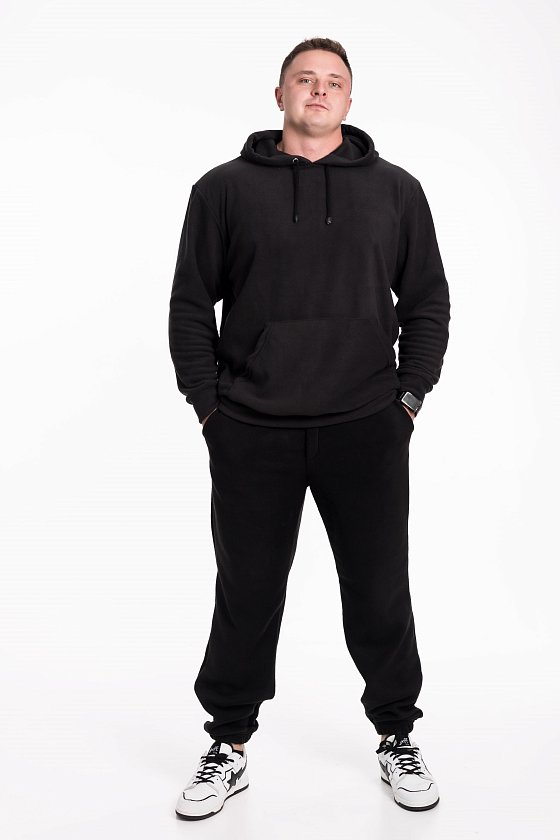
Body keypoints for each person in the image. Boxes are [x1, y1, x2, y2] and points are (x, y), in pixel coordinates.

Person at [169, 36, 450, 820]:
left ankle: (397, 734)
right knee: (248, 592)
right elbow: (190, 304)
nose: (319, 91)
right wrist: (210, 408)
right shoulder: (223, 189)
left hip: (365, 424)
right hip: (251, 428)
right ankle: (228, 744)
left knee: (379, 589)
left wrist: (408, 399)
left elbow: (427, 299)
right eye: (305, 79)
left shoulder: (396, 191)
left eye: (333, 82)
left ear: (350, 101)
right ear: (280, 95)